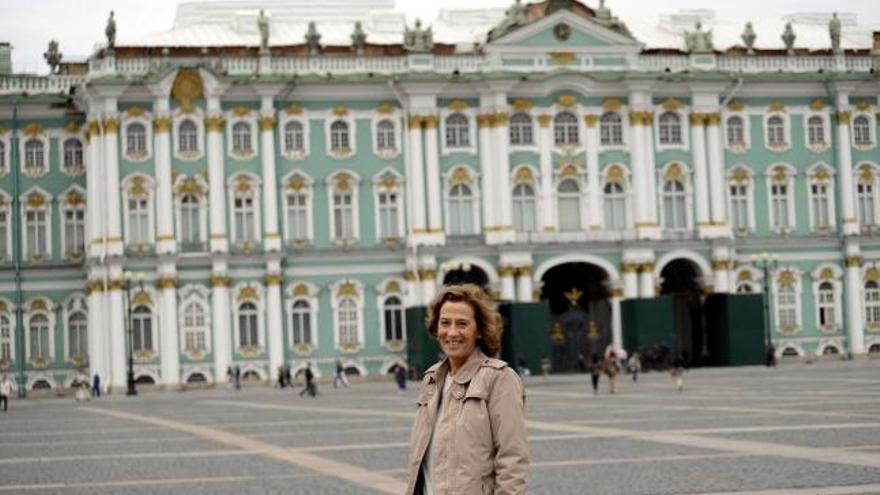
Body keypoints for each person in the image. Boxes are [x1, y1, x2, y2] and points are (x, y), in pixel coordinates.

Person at [405, 284, 529, 495]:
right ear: (436, 328)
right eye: (445, 323)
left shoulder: (499, 379)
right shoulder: (431, 378)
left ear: (479, 330)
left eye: (462, 324)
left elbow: (512, 459)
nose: (452, 332)